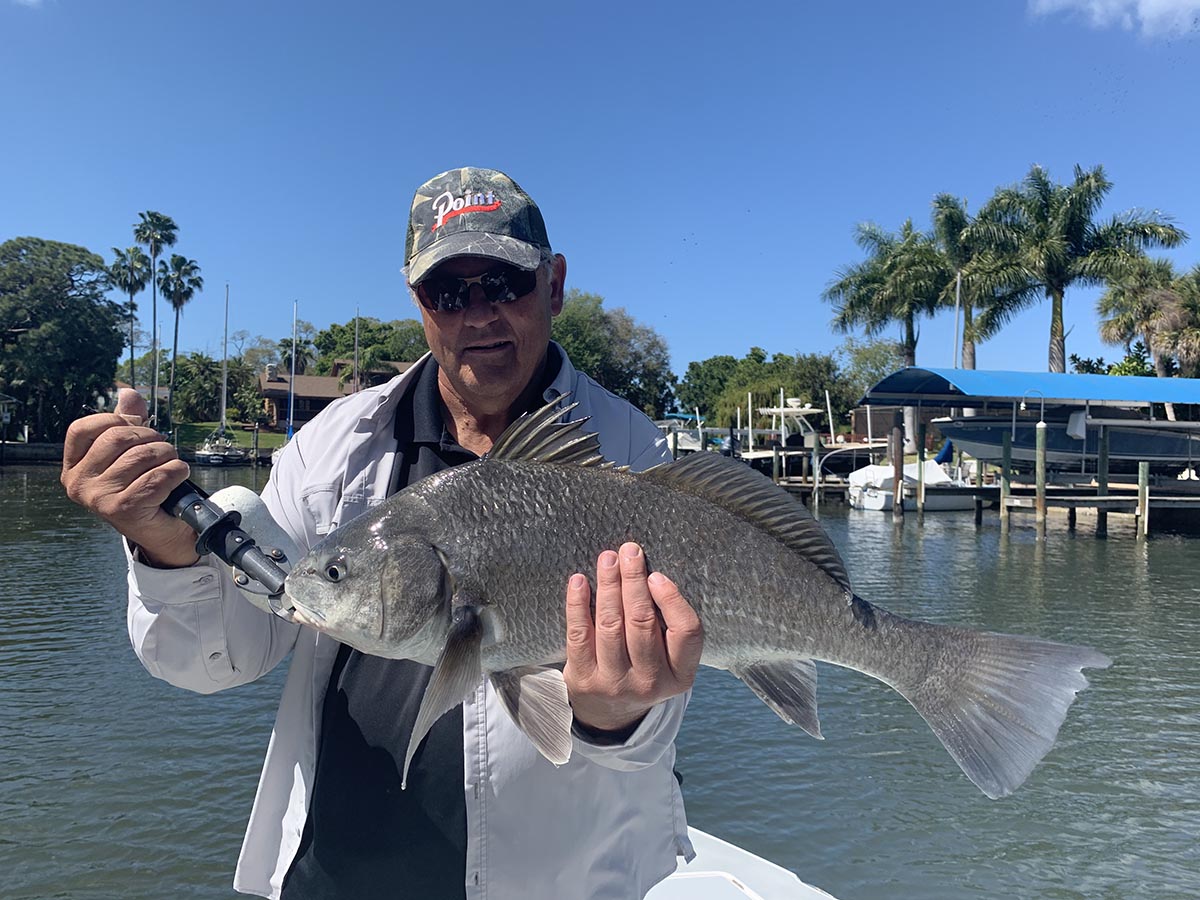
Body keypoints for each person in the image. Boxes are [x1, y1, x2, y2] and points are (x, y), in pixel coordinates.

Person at [61, 166, 703, 900]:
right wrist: (169, 550)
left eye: (503, 284)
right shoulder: (332, 442)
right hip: (329, 876)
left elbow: (656, 722)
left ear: (552, 285)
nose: (478, 315)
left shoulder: (634, 455)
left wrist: (615, 718)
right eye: (448, 292)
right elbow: (221, 659)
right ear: (418, 302)